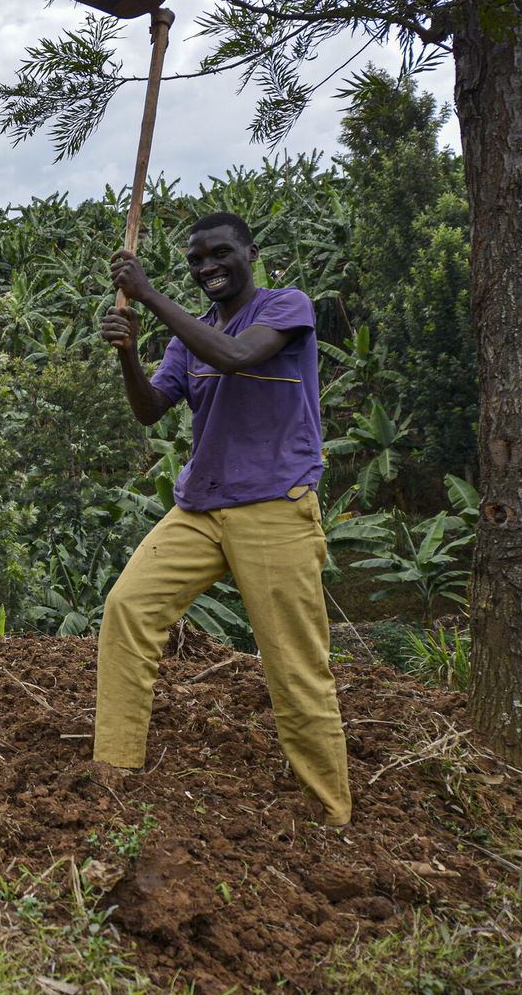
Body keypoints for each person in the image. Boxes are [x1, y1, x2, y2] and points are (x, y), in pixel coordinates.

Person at [96, 212, 351, 825]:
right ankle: (115, 772)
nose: (208, 265)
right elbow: (151, 410)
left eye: (220, 253)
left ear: (249, 253)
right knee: (128, 608)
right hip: (201, 507)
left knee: (294, 662)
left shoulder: (286, 308)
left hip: (274, 506)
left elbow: (238, 355)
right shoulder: (187, 340)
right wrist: (129, 355)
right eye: (196, 259)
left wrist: (149, 293)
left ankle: (331, 813)